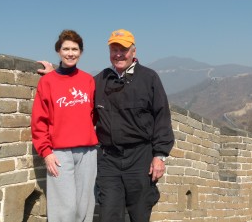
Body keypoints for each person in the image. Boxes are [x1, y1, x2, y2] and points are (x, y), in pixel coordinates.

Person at [38, 28, 174, 222]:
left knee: (140, 212)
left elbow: (162, 116)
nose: (118, 54)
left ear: (133, 52)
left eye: (123, 49)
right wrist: (56, 74)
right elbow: (76, 96)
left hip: (140, 157)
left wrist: (159, 156)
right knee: (109, 213)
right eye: (114, 49)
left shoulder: (149, 78)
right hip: (108, 159)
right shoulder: (99, 80)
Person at [31, 29, 98, 222]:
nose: (70, 53)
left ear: (81, 52)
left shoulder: (88, 80)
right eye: (66, 49)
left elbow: (92, 115)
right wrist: (46, 152)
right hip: (59, 153)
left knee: (84, 207)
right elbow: (39, 120)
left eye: (75, 49)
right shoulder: (48, 82)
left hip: (88, 151)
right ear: (58, 51)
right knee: (64, 210)